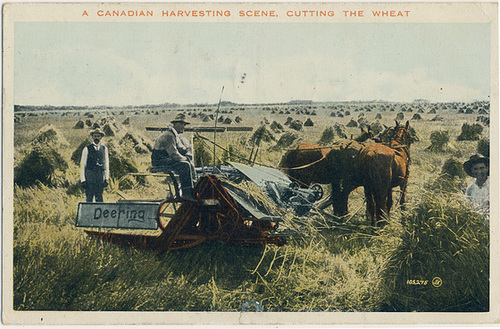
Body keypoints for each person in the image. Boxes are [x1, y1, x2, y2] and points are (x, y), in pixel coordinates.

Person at [151, 113, 197, 201]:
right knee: (185, 165)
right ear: (175, 124)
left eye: (184, 124)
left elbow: (182, 148)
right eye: (182, 124)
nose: (184, 127)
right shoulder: (168, 136)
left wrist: (187, 152)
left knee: (187, 163)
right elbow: (174, 154)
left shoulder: (175, 135)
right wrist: (186, 159)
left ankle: (192, 186)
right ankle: (186, 193)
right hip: (160, 161)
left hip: (166, 159)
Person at [80, 128, 110, 202]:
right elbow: (82, 165)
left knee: (99, 197)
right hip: (90, 176)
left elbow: (106, 164)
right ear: (92, 137)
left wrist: (106, 178)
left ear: (101, 137)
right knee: (89, 197)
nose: (96, 138)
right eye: (95, 136)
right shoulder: (87, 148)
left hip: (100, 176)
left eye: (98, 136)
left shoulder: (104, 148)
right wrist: (83, 180)